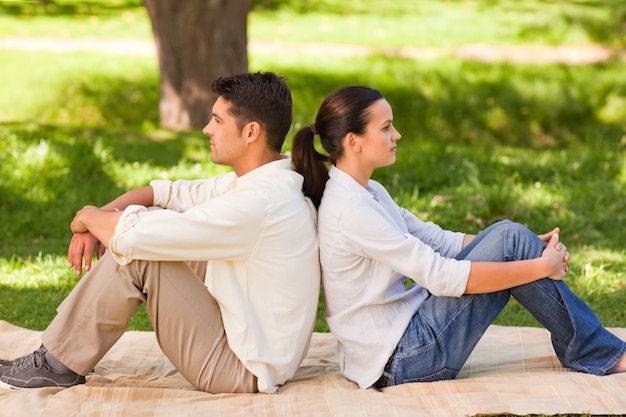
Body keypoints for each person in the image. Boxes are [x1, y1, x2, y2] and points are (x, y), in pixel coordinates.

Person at [0, 71, 320, 394]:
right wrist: (97, 221)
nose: (206, 129)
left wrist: (86, 216)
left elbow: (138, 235)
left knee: (143, 253)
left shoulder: (258, 203)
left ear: (251, 132)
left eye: (217, 121)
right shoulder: (266, 179)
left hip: (242, 368)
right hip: (248, 337)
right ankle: (71, 348)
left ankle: (57, 363)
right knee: (148, 224)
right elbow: (166, 194)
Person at [290, 85, 626, 389]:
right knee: (509, 242)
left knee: (509, 236)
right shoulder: (351, 209)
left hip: (401, 340)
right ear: (354, 141)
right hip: (402, 361)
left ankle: (594, 348)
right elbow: (443, 277)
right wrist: (538, 267)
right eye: (386, 127)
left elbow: (436, 240)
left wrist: (526, 246)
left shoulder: (367, 191)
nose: (398, 134)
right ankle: (600, 352)